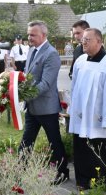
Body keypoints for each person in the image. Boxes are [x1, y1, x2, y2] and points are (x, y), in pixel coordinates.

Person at [69, 28, 106, 189]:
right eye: (83, 40)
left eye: (87, 40)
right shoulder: (80, 61)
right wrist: (72, 109)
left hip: (101, 116)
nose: (83, 42)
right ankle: (84, 180)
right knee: (83, 148)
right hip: (83, 115)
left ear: (99, 41)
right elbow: (74, 87)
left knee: (105, 148)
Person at [19, 20, 70, 185]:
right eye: (28, 34)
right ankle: (17, 170)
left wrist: (24, 94)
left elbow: (46, 84)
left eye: (33, 35)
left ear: (43, 35)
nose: (29, 37)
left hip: (47, 108)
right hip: (32, 107)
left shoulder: (51, 54)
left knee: (54, 142)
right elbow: (28, 76)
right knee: (26, 141)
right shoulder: (31, 51)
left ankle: (62, 172)